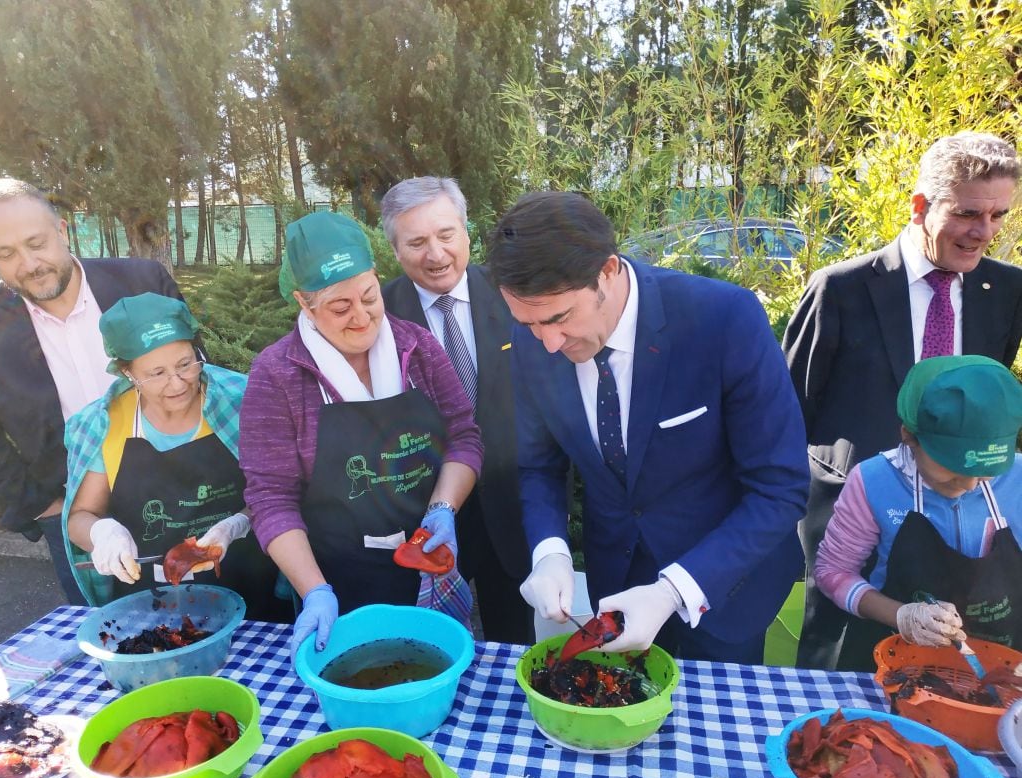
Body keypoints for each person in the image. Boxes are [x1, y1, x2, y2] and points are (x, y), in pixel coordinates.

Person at [487, 191, 808, 664]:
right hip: (615, 579)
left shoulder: (723, 319)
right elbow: (539, 465)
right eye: (529, 323)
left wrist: (671, 591)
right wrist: (550, 551)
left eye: (559, 319)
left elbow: (780, 488)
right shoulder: (532, 339)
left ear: (609, 272)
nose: (548, 343)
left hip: (724, 589)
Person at [783, 132, 1022, 669]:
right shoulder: (840, 288)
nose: (984, 233)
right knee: (839, 660)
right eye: (968, 213)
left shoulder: (1008, 292)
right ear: (920, 207)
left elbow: (987, 393)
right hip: (853, 508)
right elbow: (788, 409)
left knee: (944, 657)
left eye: (999, 216)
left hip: (955, 511)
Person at [239, 211, 483, 654]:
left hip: (429, 556)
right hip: (335, 575)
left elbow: (463, 436)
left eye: (369, 296)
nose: (361, 317)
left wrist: (444, 508)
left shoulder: (418, 347)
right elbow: (270, 497)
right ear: (303, 302)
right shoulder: (277, 374)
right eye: (339, 307)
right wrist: (314, 589)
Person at [0, 178, 189, 605]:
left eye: (36, 242)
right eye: (6, 254)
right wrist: (46, 509)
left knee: (217, 617)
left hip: (183, 490)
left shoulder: (142, 280)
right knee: (116, 640)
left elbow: (197, 372)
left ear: (63, 228)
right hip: (73, 512)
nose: (29, 263)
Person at [61, 293, 292, 621]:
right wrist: (103, 534)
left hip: (252, 584)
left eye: (186, 364)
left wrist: (237, 524)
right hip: (152, 603)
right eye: (156, 373)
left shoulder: (240, 400)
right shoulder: (104, 425)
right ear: (127, 372)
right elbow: (80, 515)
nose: (178, 383)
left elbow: (282, 488)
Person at [381, 176, 533, 644]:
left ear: (467, 233)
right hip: (419, 518)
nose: (436, 254)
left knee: (513, 645)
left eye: (446, 235)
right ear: (396, 250)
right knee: (426, 646)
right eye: (417, 242)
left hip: (511, 509)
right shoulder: (378, 317)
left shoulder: (517, 296)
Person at [815, 355, 1022, 671]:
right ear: (909, 436)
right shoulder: (873, 481)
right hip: (892, 660)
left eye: (986, 473)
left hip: (1004, 666)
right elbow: (832, 572)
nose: (968, 485)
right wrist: (902, 615)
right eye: (952, 471)